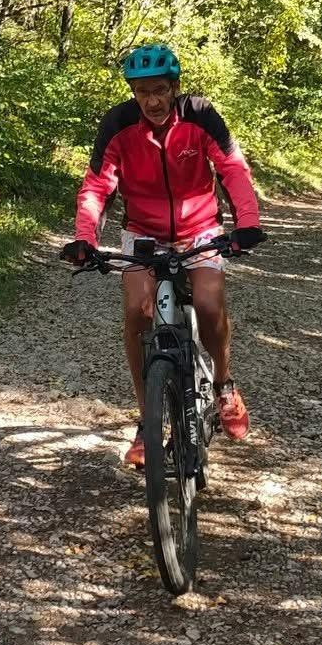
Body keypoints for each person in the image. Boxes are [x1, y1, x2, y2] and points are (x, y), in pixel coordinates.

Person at [62, 43, 265, 468]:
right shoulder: (119, 125)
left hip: (200, 230)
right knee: (138, 311)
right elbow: (98, 184)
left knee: (209, 304)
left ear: (174, 87)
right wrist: (85, 238)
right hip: (144, 233)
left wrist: (245, 223)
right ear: (132, 93)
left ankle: (225, 385)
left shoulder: (200, 115)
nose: (151, 100)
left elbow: (232, 169)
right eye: (141, 92)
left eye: (159, 90)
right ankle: (147, 421)